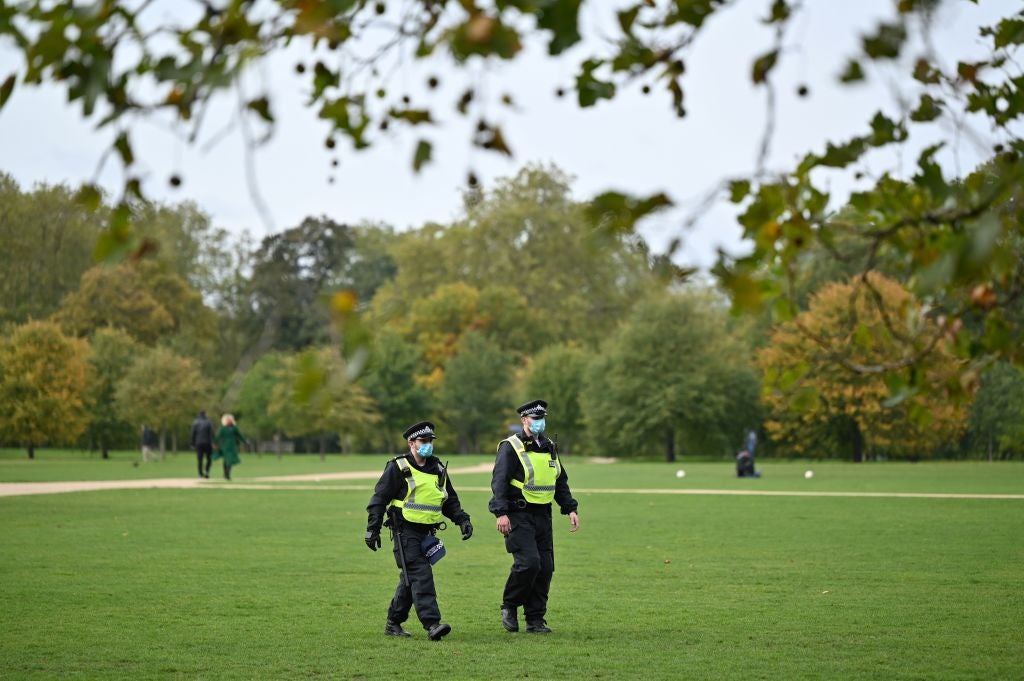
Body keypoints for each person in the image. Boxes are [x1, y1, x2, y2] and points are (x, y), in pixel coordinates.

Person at [364, 421, 473, 641]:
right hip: (405, 531)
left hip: (427, 534)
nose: (428, 446)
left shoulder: (439, 469)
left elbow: (449, 500)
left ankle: (393, 622)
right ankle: (432, 624)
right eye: (423, 441)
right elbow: (379, 499)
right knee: (421, 576)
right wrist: (372, 528)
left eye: (430, 441)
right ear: (411, 443)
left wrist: (462, 520)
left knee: (410, 579)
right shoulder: (398, 467)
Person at [489, 399, 579, 634]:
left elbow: (559, 479)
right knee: (529, 563)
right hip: (518, 514)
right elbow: (499, 482)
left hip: (543, 516)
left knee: (546, 568)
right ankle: (509, 605)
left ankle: (535, 619)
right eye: (535, 418)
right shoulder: (511, 446)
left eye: (542, 418)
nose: (540, 422)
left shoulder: (549, 446)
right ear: (524, 420)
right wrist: (501, 513)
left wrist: (570, 508)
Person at [212, 414, 247, 481]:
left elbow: (239, 435)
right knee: (226, 460)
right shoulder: (223, 428)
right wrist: (214, 443)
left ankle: (227, 474)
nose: (229, 421)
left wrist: (244, 441)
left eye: (230, 419)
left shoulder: (234, 428)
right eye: (228, 420)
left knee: (230, 460)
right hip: (225, 446)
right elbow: (218, 436)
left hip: (232, 446)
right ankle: (225, 473)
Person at [190, 411, 214, 478]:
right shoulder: (209, 422)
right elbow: (212, 433)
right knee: (209, 458)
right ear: (205, 414)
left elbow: (193, 434)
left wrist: (192, 443)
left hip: (199, 443)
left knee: (200, 459)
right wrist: (213, 442)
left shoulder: (195, 422)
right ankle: (207, 472)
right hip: (207, 443)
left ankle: (200, 474)